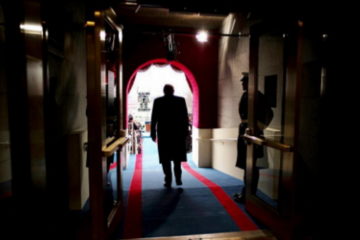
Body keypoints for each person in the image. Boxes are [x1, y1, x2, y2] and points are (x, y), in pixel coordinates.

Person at [233, 72, 273, 202]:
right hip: (245, 132)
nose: (242, 84)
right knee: (247, 165)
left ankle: (249, 194)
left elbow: (269, 113)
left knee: (251, 166)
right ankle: (248, 193)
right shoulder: (248, 95)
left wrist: (257, 128)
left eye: (244, 81)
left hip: (252, 134)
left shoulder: (257, 96)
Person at [151, 84, 189, 188]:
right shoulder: (180, 100)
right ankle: (178, 178)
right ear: (173, 90)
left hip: (164, 134)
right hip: (177, 133)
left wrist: (153, 133)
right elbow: (185, 118)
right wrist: (186, 132)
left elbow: (154, 118)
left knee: (165, 158)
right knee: (177, 159)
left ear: (164, 91)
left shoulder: (158, 101)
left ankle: (168, 179)